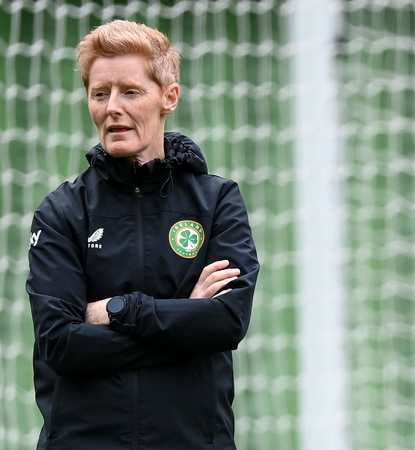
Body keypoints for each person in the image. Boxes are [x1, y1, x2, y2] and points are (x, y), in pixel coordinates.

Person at [26, 20, 260, 449]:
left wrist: (120, 309)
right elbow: (61, 344)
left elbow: (226, 321)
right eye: (100, 93)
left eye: (130, 92)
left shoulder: (216, 201)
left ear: (168, 97)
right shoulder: (61, 211)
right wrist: (184, 323)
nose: (112, 107)